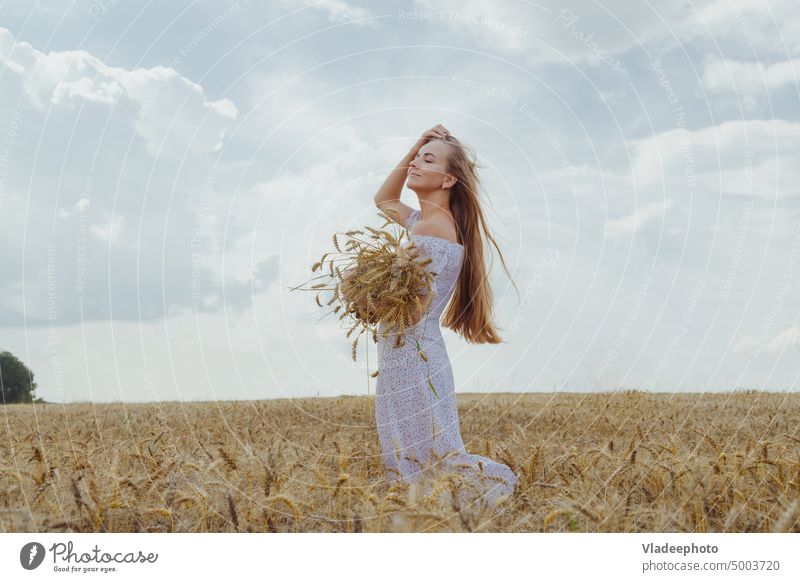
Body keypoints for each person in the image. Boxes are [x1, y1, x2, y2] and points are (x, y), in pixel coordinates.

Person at [372, 124, 519, 512]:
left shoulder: (432, 229)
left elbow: (413, 308)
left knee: (426, 456)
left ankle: (489, 492)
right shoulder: (424, 221)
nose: (416, 165)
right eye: (417, 158)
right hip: (411, 352)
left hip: (412, 357)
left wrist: (367, 297)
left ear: (449, 179)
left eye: (428, 160)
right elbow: (384, 199)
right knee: (417, 454)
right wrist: (415, 146)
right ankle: (427, 518)